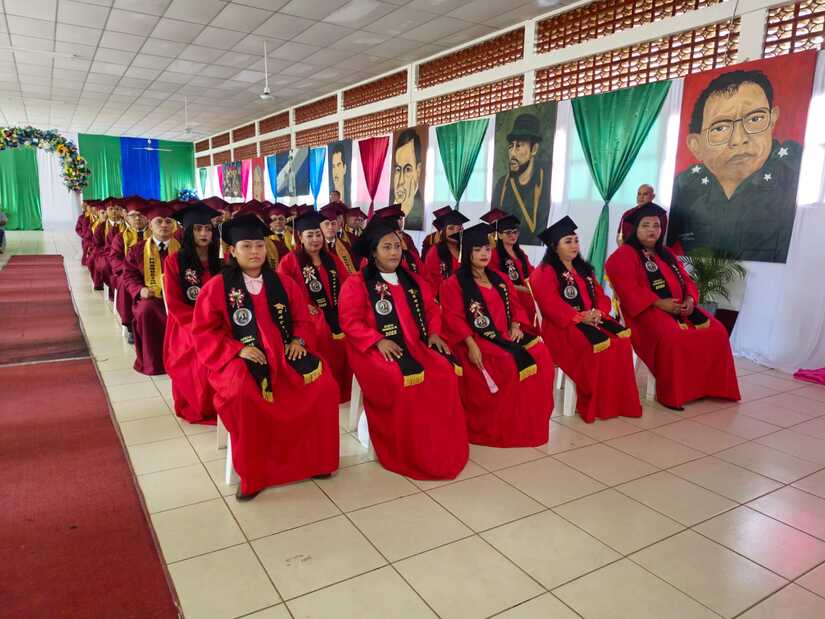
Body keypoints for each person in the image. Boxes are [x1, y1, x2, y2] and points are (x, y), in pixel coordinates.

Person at [192, 214, 339, 500]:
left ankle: (316, 461)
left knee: (324, 385)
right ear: (233, 251)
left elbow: (303, 320)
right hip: (240, 357)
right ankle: (256, 473)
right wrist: (237, 349)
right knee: (243, 393)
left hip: (285, 353)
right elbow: (204, 332)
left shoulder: (283, 283)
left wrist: (298, 340)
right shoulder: (217, 287)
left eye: (259, 245)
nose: (254, 252)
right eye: (246, 246)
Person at [339, 220, 469, 478]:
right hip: (373, 350)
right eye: (386, 247)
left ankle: (436, 443)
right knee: (402, 381)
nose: (394, 252)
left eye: (397, 246)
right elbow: (350, 321)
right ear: (373, 252)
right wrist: (377, 340)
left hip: (416, 344)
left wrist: (434, 332)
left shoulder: (412, 279)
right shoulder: (357, 283)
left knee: (445, 373)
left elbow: (432, 310)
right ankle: (407, 448)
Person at [605, 203, 741, 409]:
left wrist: (690, 300)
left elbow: (687, 281)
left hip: (682, 309)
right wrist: (659, 303)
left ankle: (711, 387)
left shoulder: (667, 253)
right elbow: (628, 289)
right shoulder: (624, 255)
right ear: (635, 229)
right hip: (646, 312)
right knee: (673, 336)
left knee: (718, 331)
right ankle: (675, 393)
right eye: (645, 225)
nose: (652, 230)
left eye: (656, 226)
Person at [666, 69, 802, 262]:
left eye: (755, 119)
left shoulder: (795, 177)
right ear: (696, 145)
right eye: (720, 128)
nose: (739, 139)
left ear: (772, 120)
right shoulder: (684, 188)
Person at [440, 223, 554, 447]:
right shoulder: (453, 284)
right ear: (467, 253)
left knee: (541, 353)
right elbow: (453, 319)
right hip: (475, 339)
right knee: (509, 362)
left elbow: (516, 305)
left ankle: (529, 417)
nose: (484, 254)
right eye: (477, 250)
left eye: (487, 249)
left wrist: (516, 325)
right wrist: (471, 344)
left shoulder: (500, 278)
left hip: (504, 334)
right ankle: (504, 422)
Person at [531, 217, 642, 423]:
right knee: (594, 347)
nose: (574, 245)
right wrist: (580, 317)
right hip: (561, 327)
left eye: (576, 240)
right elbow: (550, 305)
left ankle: (616, 401)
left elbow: (601, 295)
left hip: (592, 320)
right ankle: (594, 403)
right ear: (555, 247)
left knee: (621, 342)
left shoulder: (584, 269)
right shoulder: (543, 272)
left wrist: (599, 312)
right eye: (568, 241)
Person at [278, 211, 352, 403]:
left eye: (318, 234)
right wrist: (303, 306)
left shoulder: (332, 259)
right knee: (320, 333)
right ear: (300, 237)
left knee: (348, 334)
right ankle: (323, 390)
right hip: (305, 315)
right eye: (309, 235)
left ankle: (343, 389)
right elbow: (281, 292)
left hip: (335, 311)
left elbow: (347, 285)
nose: (315, 239)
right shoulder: (289, 261)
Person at [163, 202, 222, 425]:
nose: (204, 233)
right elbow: (175, 303)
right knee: (201, 351)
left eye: (207, 229)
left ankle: (229, 401)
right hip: (187, 325)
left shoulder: (222, 261)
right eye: (198, 229)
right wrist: (201, 327)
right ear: (188, 232)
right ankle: (202, 404)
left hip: (219, 322)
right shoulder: (174, 261)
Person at [122, 203, 179, 376]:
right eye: (159, 221)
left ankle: (179, 360)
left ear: (174, 225)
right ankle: (154, 363)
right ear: (150, 224)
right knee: (145, 310)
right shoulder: (137, 250)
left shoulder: (183, 249)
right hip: (152, 297)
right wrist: (140, 290)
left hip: (177, 298)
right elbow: (129, 275)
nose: (164, 225)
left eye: (168, 221)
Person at [491, 113, 551, 245]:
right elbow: (493, 226)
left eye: (519, 146)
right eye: (510, 146)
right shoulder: (502, 185)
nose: (512, 153)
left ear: (534, 149)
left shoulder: (546, 183)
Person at [485, 210, 538, 334]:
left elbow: (531, 273)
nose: (513, 235)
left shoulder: (520, 253)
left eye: (515, 232)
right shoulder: (494, 255)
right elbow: (496, 281)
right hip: (510, 301)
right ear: (499, 235)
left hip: (528, 300)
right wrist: (523, 289)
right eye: (508, 233)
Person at [111, 198, 150, 342]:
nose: (138, 218)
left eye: (141, 215)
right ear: (127, 217)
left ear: (148, 217)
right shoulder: (120, 237)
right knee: (124, 282)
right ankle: (130, 326)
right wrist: (131, 270)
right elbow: (115, 258)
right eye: (133, 215)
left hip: (153, 274)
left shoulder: (155, 236)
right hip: (129, 273)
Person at [422, 209, 468, 298]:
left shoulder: (468, 249)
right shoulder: (434, 252)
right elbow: (432, 282)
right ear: (443, 231)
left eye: (459, 228)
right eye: (451, 228)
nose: (455, 232)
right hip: (444, 297)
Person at [390, 128, 425, 229]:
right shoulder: (389, 210)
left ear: (418, 171)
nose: (400, 181)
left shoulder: (418, 210)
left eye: (407, 169)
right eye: (398, 169)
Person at [372, 205, 423, 273]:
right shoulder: (377, 238)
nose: (400, 222)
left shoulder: (406, 237)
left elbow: (415, 257)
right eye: (397, 219)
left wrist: (407, 252)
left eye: (401, 219)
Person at [319, 203, 357, 273]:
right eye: (326, 224)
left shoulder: (346, 246)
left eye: (333, 223)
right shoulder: (317, 248)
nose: (330, 227)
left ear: (338, 226)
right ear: (320, 227)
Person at [264, 202, 293, 269]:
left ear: (285, 221)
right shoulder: (265, 238)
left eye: (281, 219)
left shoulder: (294, 236)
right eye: (274, 219)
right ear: (269, 223)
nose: (278, 221)